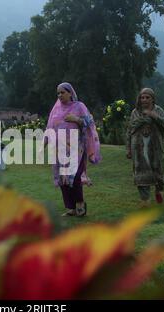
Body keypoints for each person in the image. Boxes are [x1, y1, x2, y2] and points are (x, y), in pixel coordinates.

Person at [45, 82, 101, 217]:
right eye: (58, 93)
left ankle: (80, 206)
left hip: (77, 149)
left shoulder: (79, 106)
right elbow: (50, 126)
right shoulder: (56, 109)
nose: (60, 95)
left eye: (62, 92)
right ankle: (70, 208)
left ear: (70, 93)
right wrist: (45, 141)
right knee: (63, 178)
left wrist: (76, 119)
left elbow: (90, 123)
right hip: (60, 149)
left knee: (75, 177)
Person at [126, 88, 164, 207]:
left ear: (152, 99)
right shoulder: (135, 112)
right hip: (138, 149)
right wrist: (128, 149)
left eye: (147, 97)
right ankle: (145, 200)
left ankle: (159, 191)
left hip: (155, 148)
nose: (144, 100)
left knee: (157, 171)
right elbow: (130, 130)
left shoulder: (158, 110)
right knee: (141, 173)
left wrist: (154, 116)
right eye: (142, 97)